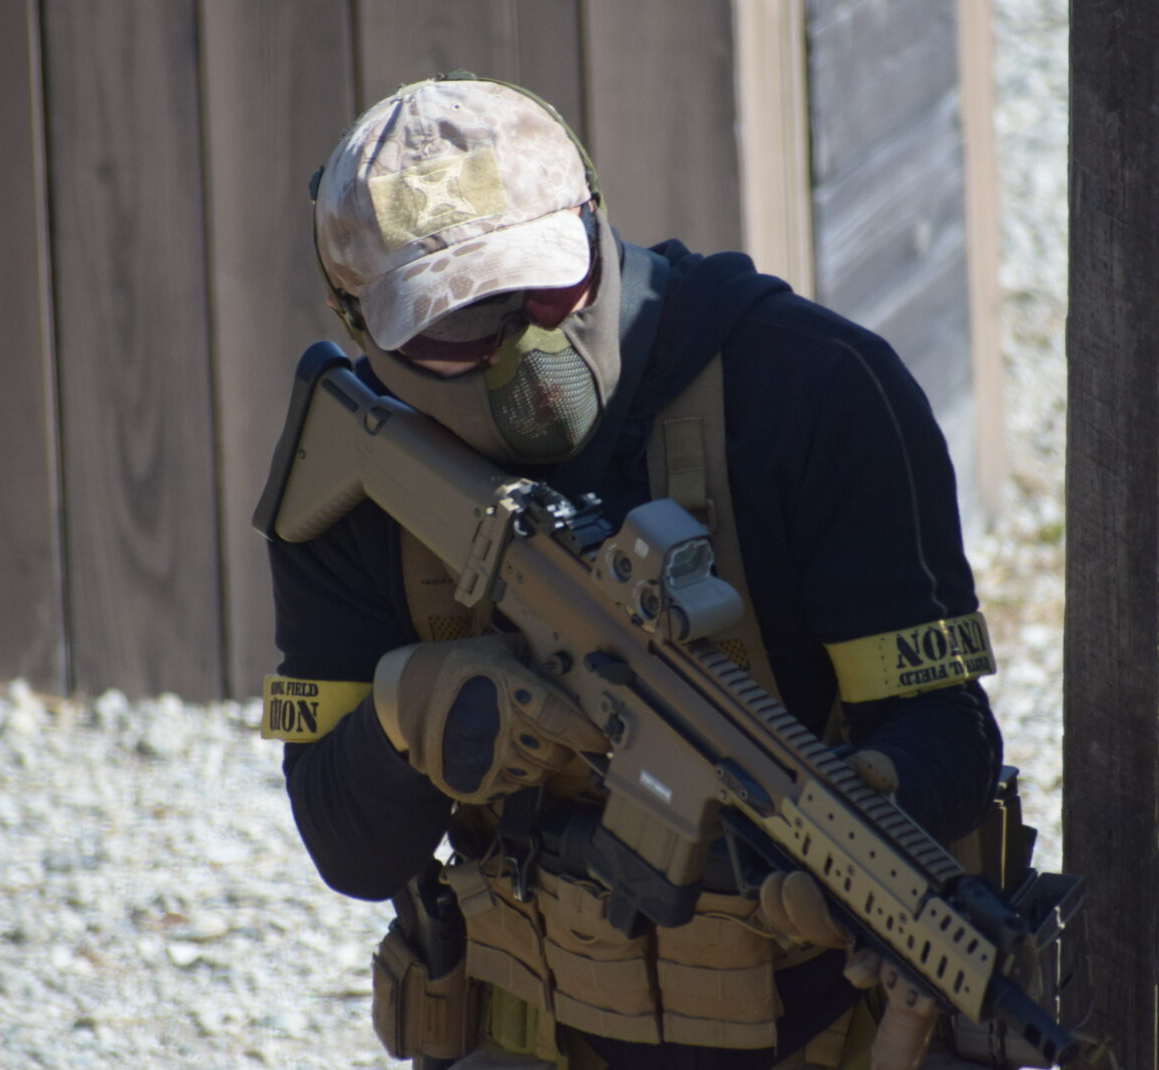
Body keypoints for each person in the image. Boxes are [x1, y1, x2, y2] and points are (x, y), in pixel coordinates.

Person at [265, 73, 1004, 1070]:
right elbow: (349, 848)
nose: (524, 352)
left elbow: (949, 728)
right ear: (357, 324)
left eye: (548, 288)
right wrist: (412, 714)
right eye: (456, 324)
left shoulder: (815, 391)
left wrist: (869, 817)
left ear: (593, 218)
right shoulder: (352, 481)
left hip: (828, 1030)